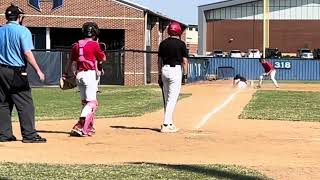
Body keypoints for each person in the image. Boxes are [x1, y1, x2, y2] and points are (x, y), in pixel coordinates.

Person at [0, 4, 46, 143]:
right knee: (25, 103)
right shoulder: (22, 31)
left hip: (1, 70)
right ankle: (29, 135)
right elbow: (27, 52)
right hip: (16, 71)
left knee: (3, 102)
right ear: (19, 17)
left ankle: (4, 134)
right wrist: (38, 70)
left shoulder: (1, 30)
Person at [64, 22, 106, 137]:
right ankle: (80, 126)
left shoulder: (76, 45)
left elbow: (71, 61)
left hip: (79, 75)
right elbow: (102, 57)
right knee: (92, 103)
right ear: (95, 33)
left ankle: (89, 127)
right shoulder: (94, 44)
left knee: (85, 102)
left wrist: (65, 74)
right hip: (89, 75)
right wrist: (98, 48)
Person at [158, 21, 188, 133]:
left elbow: (159, 61)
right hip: (175, 70)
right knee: (172, 98)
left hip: (164, 69)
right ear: (178, 31)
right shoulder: (181, 44)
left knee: (167, 98)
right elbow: (184, 61)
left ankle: (169, 122)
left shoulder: (163, 43)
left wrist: (159, 75)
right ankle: (166, 124)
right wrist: (185, 75)